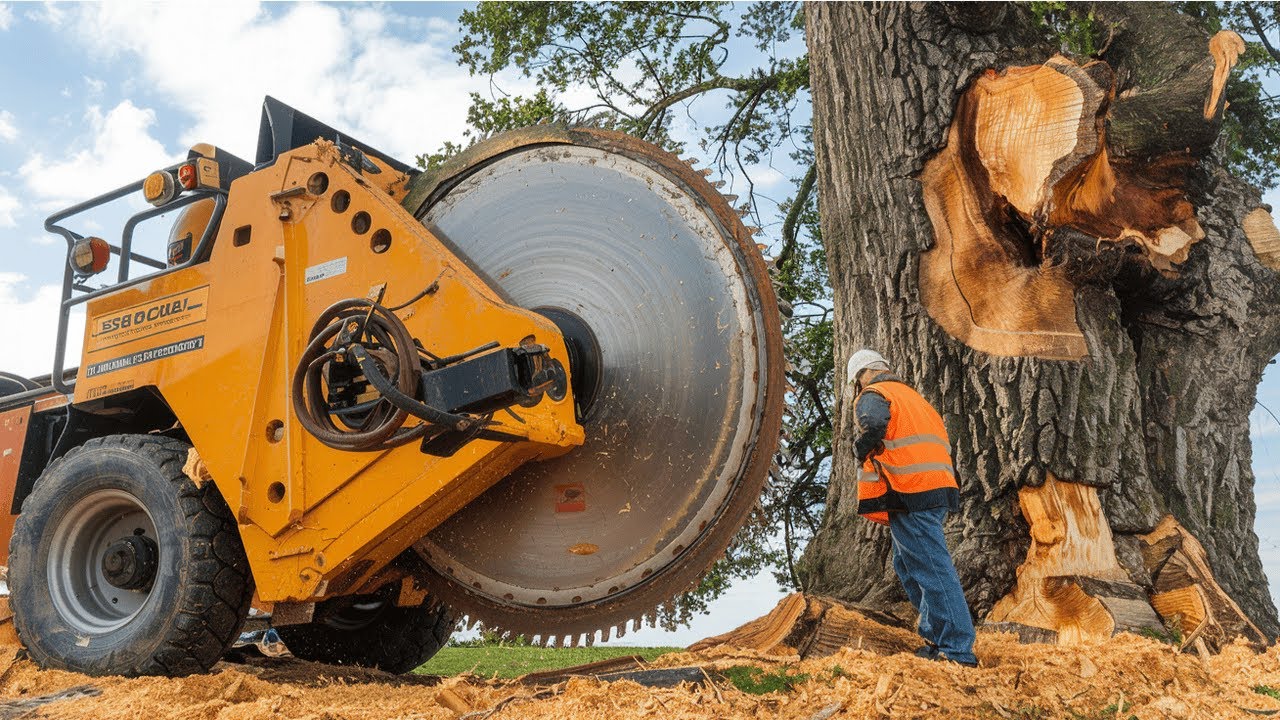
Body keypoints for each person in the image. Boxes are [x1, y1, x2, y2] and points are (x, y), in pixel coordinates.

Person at [846, 349, 977, 667]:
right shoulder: (913, 398)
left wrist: (861, 446)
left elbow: (874, 423)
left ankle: (957, 649)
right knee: (907, 566)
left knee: (932, 568)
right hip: (932, 487)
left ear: (862, 375)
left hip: (911, 491)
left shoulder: (874, 393)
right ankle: (937, 637)